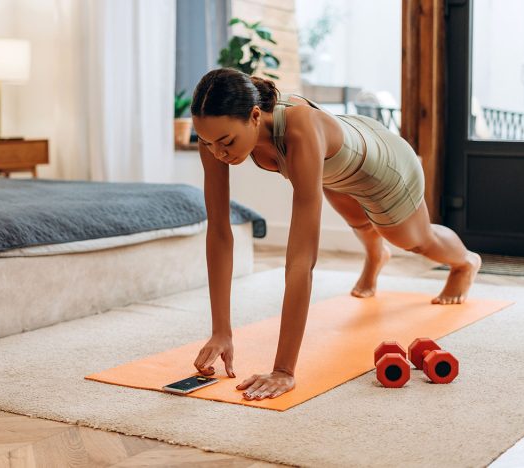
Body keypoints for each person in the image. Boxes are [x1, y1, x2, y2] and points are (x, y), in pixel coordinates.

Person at [190, 67, 481, 401]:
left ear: (255, 116)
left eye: (226, 143)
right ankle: (375, 257)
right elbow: (220, 232)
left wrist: (283, 370)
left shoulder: (300, 129)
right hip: (336, 169)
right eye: (208, 143)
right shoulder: (214, 136)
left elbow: (301, 260)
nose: (217, 153)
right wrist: (221, 331)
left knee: (411, 240)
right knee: (360, 223)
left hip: (382, 166)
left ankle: (464, 263)